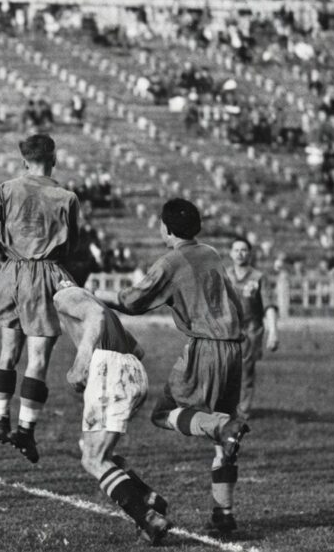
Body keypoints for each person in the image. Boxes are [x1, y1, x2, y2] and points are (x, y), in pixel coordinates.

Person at [96, 198, 249, 535]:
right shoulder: (210, 252)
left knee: (164, 414)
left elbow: (133, 301)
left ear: (166, 228)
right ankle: (223, 514)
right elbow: (235, 301)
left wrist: (97, 296)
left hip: (205, 349)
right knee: (223, 432)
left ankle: (223, 429)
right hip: (234, 349)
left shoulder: (172, 261)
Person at [0, 133, 80, 463]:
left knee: (8, 352)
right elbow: (72, 247)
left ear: (24, 161)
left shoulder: (6, 189)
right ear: (54, 158)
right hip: (46, 273)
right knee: (38, 358)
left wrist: (1, 250)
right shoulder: (66, 197)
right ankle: (25, 430)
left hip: (11, 273)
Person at [54, 281, 171, 545]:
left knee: (93, 459)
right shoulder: (95, 303)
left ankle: (148, 517)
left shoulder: (64, 294)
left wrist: (82, 363)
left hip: (112, 371)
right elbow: (137, 349)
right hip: (131, 371)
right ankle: (149, 499)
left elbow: (94, 316)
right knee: (92, 448)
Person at [226, 238, 279, 419]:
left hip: (251, 330)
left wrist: (273, 332)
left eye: (244, 250)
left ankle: (243, 411)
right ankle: (226, 407)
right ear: (231, 253)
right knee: (225, 369)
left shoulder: (258, 277)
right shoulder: (224, 276)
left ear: (249, 253)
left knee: (246, 369)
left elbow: (269, 306)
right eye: (236, 250)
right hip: (228, 330)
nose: (240, 253)